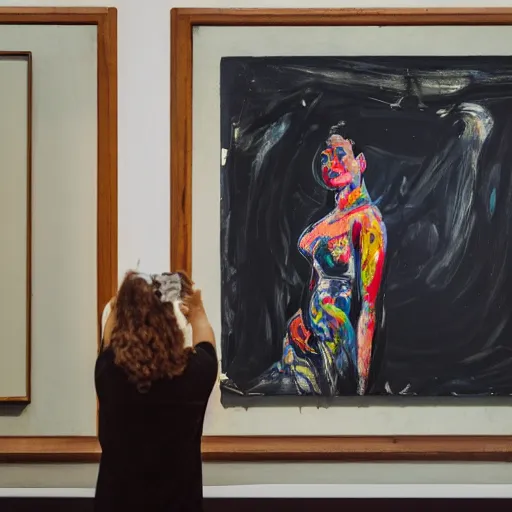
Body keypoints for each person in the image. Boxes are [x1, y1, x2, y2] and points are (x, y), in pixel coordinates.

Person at [246, 122, 387, 397]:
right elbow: (315, 283)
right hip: (303, 342)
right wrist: (301, 317)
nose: (330, 163)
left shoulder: (367, 221)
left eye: (339, 154)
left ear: (361, 162)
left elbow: (369, 309)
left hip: (331, 348)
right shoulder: (326, 222)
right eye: (325, 158)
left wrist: (359, 389)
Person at [94, 270, 217, 512]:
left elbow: (108, 342)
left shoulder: (109, 372)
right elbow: (207, 344)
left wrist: (124, 303)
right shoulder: (195, 373)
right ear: (170, 320)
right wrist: (197, 310)